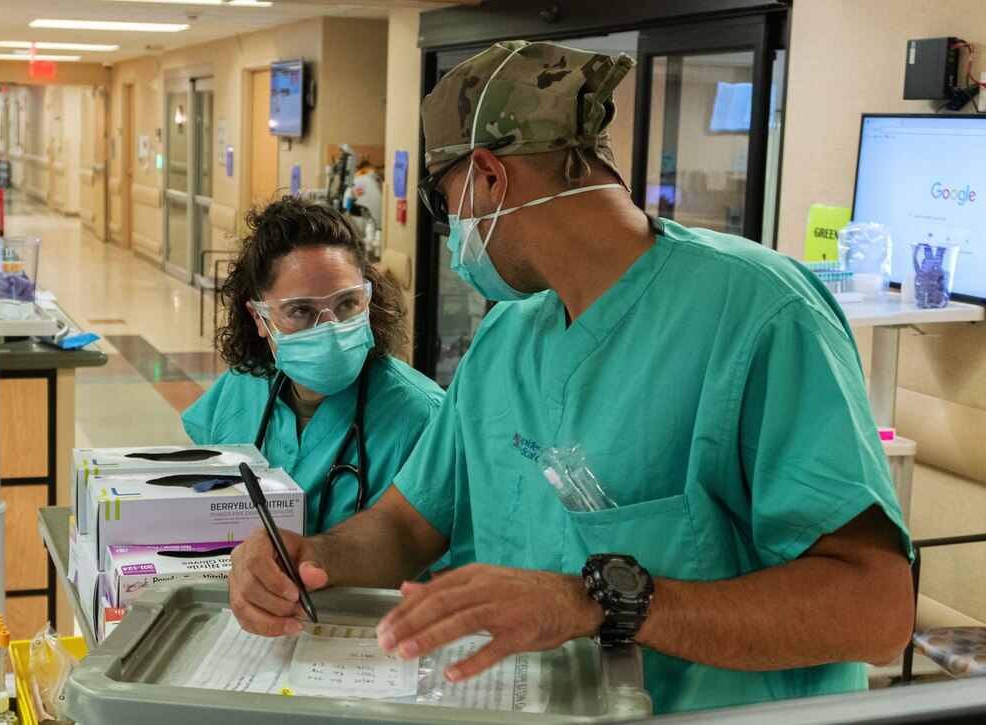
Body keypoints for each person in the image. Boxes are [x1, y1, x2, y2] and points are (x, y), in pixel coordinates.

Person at [228, 41, 914, 714]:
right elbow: (406, 527)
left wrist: (596, 601)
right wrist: (308, 556)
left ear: (491, 176)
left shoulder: (757, 314)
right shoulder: (507, 338)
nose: (453, 231)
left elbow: (876, 608)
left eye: (447, 203)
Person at [182, 195, 444, 536]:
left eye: (347, 303)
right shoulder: (242, 385)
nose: (329, 328)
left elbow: (436, 559)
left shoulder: (421, 415)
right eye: (301, 310)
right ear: (259, 317)